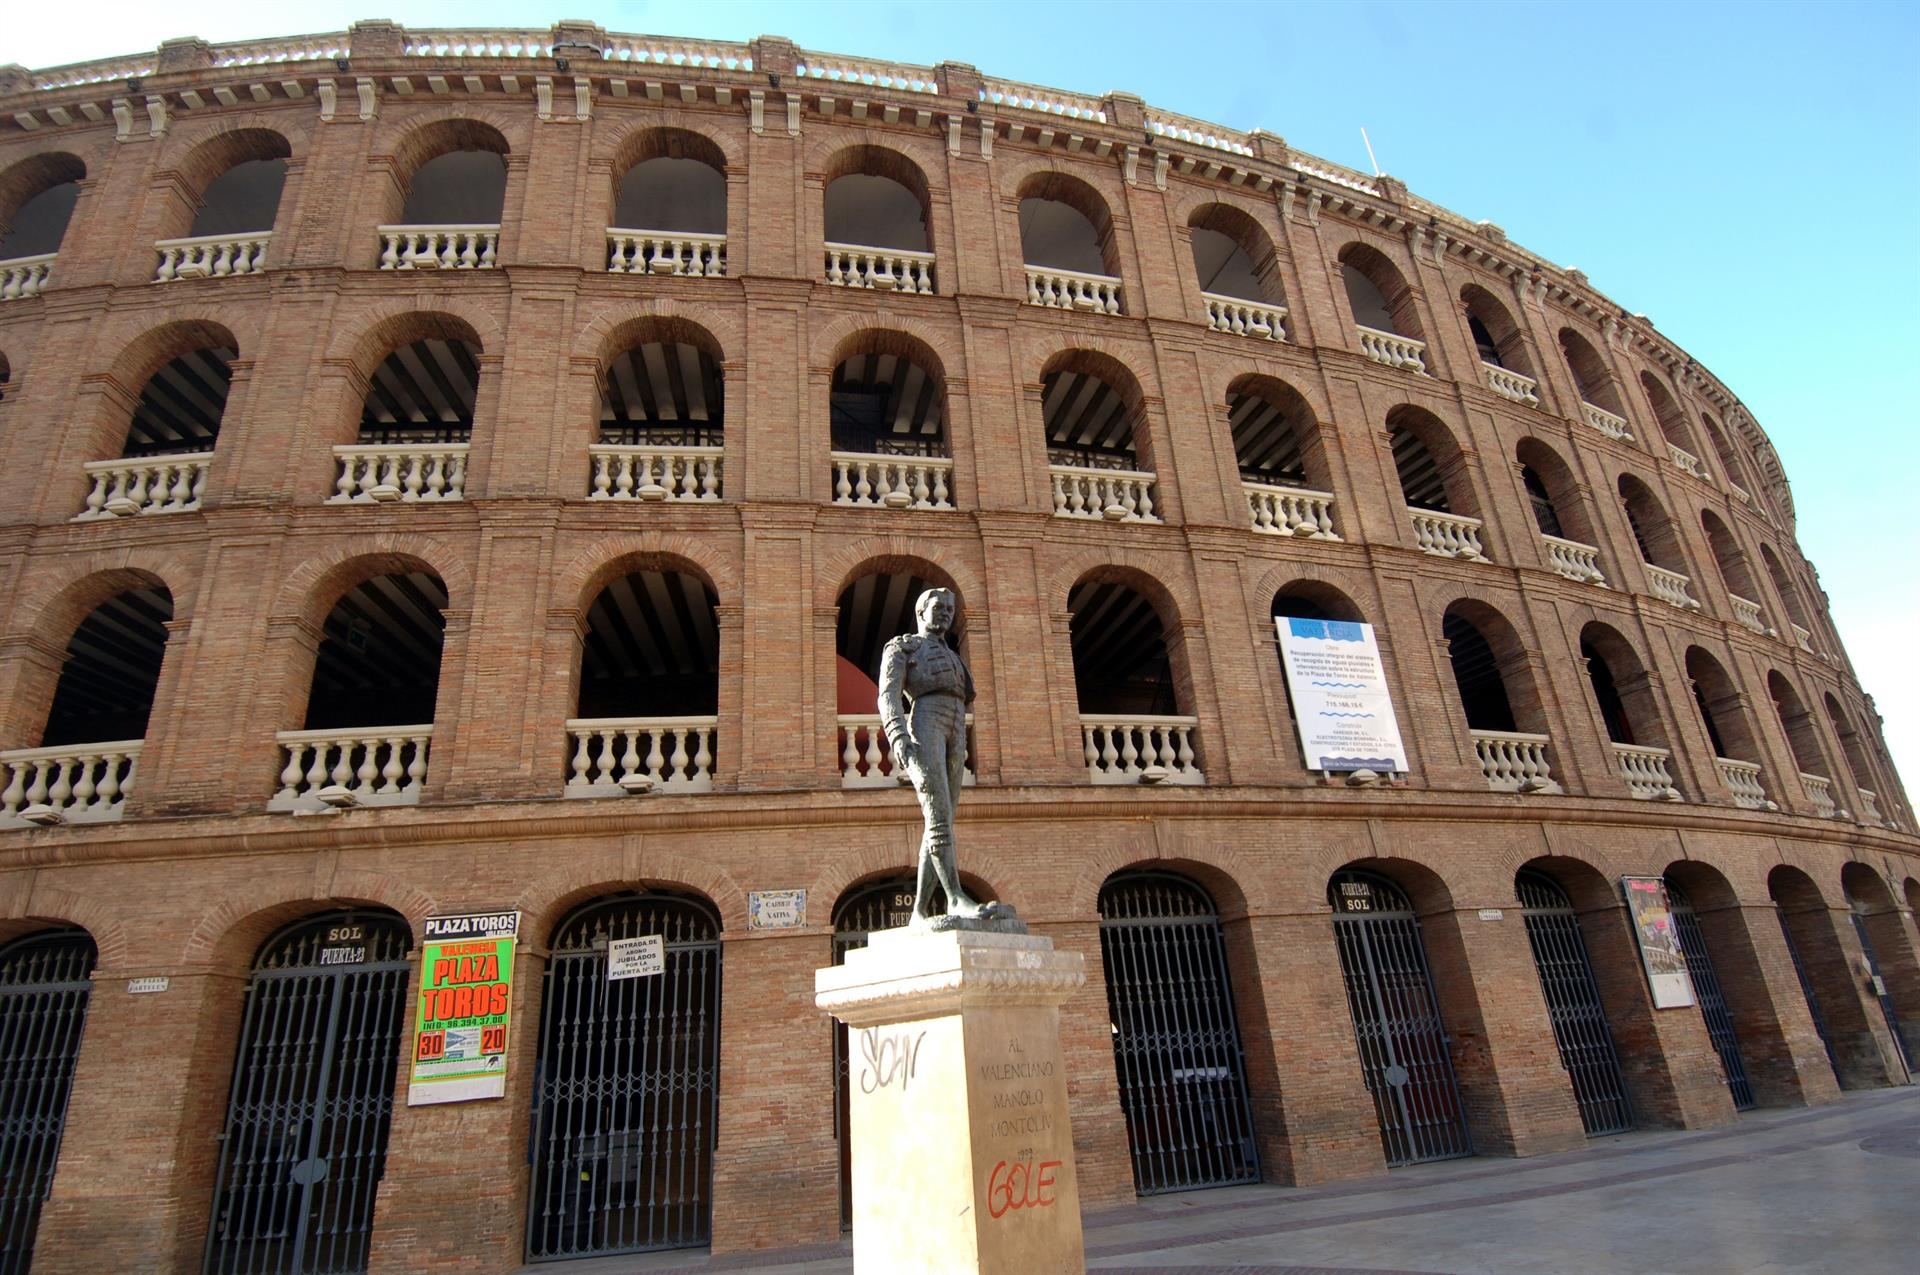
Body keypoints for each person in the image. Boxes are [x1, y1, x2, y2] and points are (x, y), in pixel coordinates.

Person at [877, 588, 1000, 925]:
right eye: (938, 607)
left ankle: (918, 911)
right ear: (920, 612)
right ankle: (955, 897)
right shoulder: (904, 646)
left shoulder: (955, 656)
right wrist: (898, 736)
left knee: (940, 819)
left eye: (950, 608)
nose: (946, 612)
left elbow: (968, 693)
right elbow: (887, 696)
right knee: (939, 813)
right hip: (926, 719)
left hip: (956, 722)